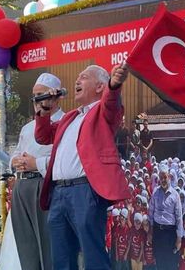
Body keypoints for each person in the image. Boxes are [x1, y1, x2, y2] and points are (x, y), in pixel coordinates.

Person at [35, 64, 132, 270]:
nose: (77, 81)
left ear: (99, 87)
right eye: (77, 77)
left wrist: (114, 86)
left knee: (92, 254)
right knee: (62, 257)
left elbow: (111, 103)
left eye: (84, 77)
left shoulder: (103, 111)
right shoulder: (70, 117)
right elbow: (43, 136)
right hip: (58, 192)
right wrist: (44, 109)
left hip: (84, 191)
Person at [7, 72, 65, 270]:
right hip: (22, 186)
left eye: (41, 95)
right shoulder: (27, 127)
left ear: (56, 97)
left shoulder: (66, 122)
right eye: (34, 96)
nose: (36, 100)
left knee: (47, 244)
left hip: (45, 185)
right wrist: (15, 161)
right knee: (26, 244)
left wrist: (36, 163)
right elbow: (16, 152)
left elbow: (66, 160)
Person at [148, 165, 183, 269]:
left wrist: (179, 238)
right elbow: (150, 213)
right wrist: (150, 230)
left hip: (170, 234)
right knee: (159, 262)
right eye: (161, 177)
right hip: (158, 233)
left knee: (170, 263)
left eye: (165, 177)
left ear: (169, 178)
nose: (163, 180)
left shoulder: (175, 195)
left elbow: (179, 217)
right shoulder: (155, 192)